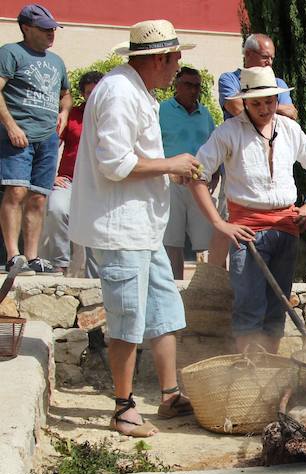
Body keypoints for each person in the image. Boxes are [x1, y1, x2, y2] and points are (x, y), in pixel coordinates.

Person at [69, 19, 201, 437]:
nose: (178, 67)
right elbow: (115, 165)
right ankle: (123, 409)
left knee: (163, 311)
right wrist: (172, 164)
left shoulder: (136, 90)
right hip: (121, 228)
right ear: (159, 59)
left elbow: (135, 160)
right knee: (126, 317)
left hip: (143, 228)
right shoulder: (119, 92)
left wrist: (169, 173)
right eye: (176, 59)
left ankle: (169, 395)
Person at [189, 66, 306, 353]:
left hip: (287, 228)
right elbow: (196, 175)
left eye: (269, 101)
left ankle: (268, 370)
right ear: (245, 102)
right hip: (246, 230)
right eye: (257, 102)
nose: (264, 108)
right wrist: (219, 223)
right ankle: (248, 373)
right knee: (249, 306)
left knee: (277, 306)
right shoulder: (228, 132)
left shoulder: (289, 129)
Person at [211, 33, 299, 267]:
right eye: (264, 57)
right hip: (237, 165)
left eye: (272, 58)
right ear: (248, 54)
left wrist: (261, 107)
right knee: (226, 219)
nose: (269, 62)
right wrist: (274, 107)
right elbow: (237, 106)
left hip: (270, 161)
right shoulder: (229, 79)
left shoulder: (277, 82)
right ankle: (216, 278)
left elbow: (292, 114)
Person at [0, 4, 71, 275]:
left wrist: (64, 111)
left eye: (53, 28)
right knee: (16, 191)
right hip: (18, 136)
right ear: (26, 28)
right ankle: (12, 255)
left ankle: (32, 257)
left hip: (47, 139)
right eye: (45, 28)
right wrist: (11, 126)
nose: (51, 33)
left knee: (39, 198)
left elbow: (66, 93)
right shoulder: (10, 53)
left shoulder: (56, 61)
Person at [41, 70, 102, 276]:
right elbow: (52, 145)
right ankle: (60, 264)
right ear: (83, 94)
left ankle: (96, 277)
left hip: (99, 182)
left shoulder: (110, 115)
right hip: (68, 180)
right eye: (88, 92)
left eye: (96, 92)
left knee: (96, 224)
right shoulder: (72, 115)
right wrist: (49, 176)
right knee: (57, 209)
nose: (92, 96)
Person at [159, 66, 217, 279]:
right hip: (170, 183)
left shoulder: (205, 114)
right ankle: (175, 287)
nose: (193, 90)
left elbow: (215, 146)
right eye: (188, 85)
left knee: (206, 241)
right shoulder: (162, 110)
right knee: (172, 242)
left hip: (199, 183)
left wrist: (215, 177)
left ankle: (205, 286)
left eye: (196, 86)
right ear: (177, 84)